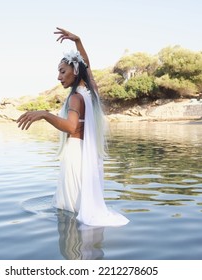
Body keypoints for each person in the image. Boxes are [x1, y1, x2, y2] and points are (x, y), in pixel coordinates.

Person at [17, 27, 128, 227]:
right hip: (89, 157)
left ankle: (73, 251)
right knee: (81, 202)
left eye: (62, 71)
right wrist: (78, 41)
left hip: (76, 155)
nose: (59, 77)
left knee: (70, 208)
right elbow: (87, 66)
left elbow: (70, 126)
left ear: (74, 71)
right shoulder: (91, 91)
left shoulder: (76, 98)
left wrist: (44, 114)